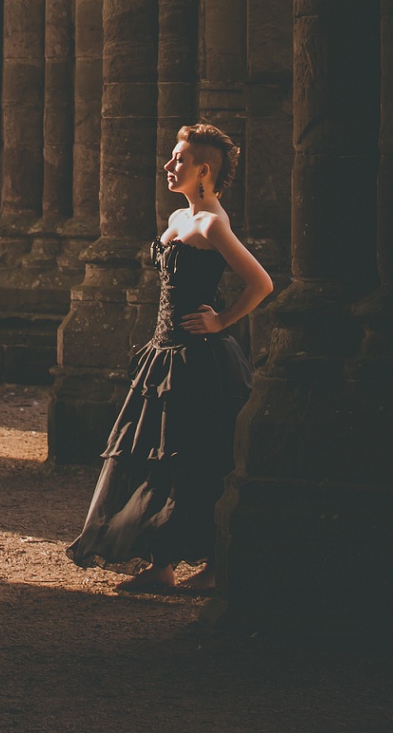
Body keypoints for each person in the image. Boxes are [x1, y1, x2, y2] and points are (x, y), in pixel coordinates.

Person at [66, 122, 274, 593]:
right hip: (163, 357)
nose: (168, 165)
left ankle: (217, 566)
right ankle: (161, 564)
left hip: (201, 362)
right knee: (159, 459)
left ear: (204, 171)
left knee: (201, 459)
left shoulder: (211, 223)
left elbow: (261, 283)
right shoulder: (181, 218)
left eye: (178, 159)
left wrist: (222, 320)